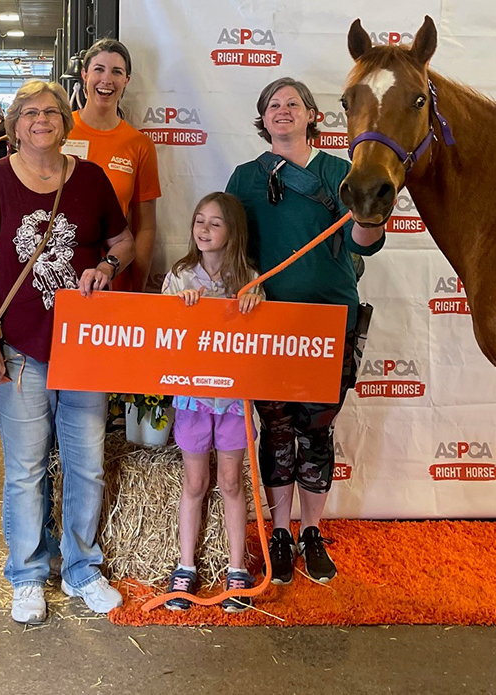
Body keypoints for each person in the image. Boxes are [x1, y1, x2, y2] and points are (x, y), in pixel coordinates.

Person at [0, 79, 135, 624]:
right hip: (19, 349)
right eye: (30, 113)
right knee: (25, 469)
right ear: (14, 125)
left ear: (66, 121)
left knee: (85, 466)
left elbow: (122, 242)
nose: (42, 120)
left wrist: (106, 267)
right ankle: (28, 573)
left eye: (52, 112)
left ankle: (82, 567)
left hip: (83, 349)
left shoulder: (90, 179)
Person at [226, 77, 385, 583]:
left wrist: (372, 214)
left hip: (328, 319)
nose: (283, 110)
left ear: (313, 115)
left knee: (317, 430)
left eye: (293, 103)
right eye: (273, 105)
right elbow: (232, 251)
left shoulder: (343, 172)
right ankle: (278, 531)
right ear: (263, 118)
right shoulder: (245, 178)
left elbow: (363, 244)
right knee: (273, 430)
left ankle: (311, 531)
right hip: (268, 324)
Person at [160, 192, 263, 613]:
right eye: (199, 220)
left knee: (232, 482)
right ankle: (186, 566)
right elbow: (161, 333)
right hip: (192, 399)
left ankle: (237, 568)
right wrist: (181, 310)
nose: (203, 229)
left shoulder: (251, 278)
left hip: (235, 401)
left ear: (232, 232)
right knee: (196, 482)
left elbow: (261, 339)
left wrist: (256, 305)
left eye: (214, 223)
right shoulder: (181, 276)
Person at [67, 38, 160, 291]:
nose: (107, 80)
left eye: (116, 72)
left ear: (126, 81)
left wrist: (137, 288)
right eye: (99, 69)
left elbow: (145, 227)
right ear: (84, 75)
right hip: (58, 275)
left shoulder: (139, 145)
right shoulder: (59, 133)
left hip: (112, 279)